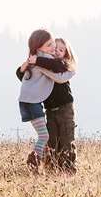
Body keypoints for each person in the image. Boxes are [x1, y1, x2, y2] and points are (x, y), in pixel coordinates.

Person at [17, 29, 75, 173]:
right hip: (49, 109)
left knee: (66, 139)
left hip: (65, 107)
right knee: (51, 141)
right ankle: (51, 169)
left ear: (66, 54)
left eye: (61, 50)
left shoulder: (59, 65)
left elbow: (58, 69)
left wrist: (37, 61)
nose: (56, 51)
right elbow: (26, 77)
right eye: (55, 48)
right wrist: (22, 68)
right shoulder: (44, 61)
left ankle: (68, 169)